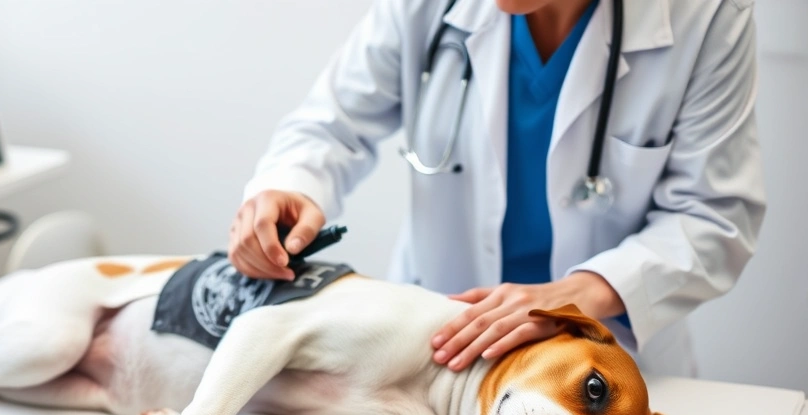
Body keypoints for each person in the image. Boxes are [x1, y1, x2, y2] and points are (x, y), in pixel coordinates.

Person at [227, 0, 765, 377]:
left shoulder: (707, 14)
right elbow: (331, 124)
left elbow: (713, 216)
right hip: (441, 341)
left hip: (610, 357)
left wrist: (579, 295)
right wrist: (289, 185)